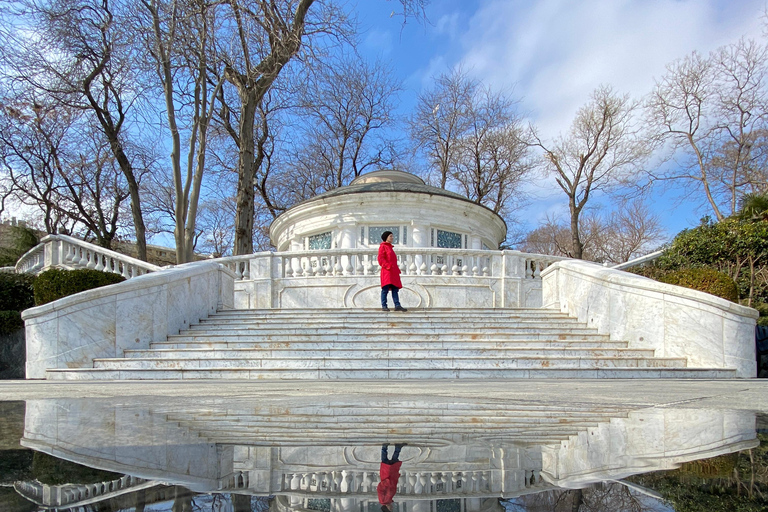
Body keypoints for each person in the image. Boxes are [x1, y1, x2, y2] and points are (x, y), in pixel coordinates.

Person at [378, 231, 407, 312]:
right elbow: (381, 259)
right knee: (385, 289)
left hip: (393, 271)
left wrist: (396, 269)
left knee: (395, 289)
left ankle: (397, 305)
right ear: (386, 237)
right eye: (390, 236)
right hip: (387, 271)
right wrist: (388, 266)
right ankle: (384, 305)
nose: (392, 237)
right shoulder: (383, 246)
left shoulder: (390, 247)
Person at [378, 443, 406, 512]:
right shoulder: (388, 500)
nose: (392, 507)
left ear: (386, 508)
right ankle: (398, 448)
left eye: (390, 509)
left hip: (387, 477)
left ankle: (384, 447)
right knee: (395, 461)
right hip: (392, 477)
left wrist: (387, 481)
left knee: (385, 461)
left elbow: (380, 489)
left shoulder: (383, 500)